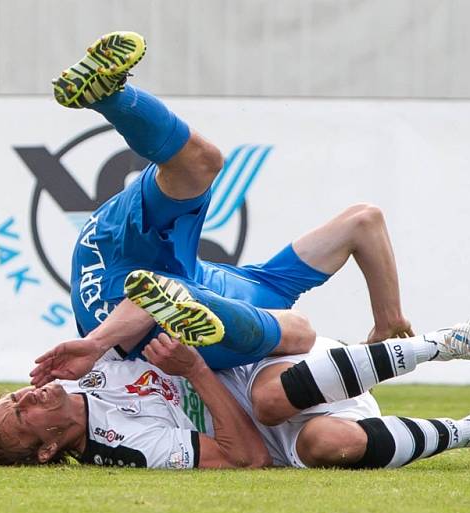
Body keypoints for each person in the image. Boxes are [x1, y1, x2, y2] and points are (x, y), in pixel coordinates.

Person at [40, 31, 414, 375]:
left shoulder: (268, 296)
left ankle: (110, 98)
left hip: (121, 308)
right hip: (127, 284)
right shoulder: (274, 289)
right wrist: (388, 320)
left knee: (293, 332)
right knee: (296, 330)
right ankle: (107, 94)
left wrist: (387, 320)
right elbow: (364, 220)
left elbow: (363, 224)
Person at [0, 319, 470, 470]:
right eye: (18, 416)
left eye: (11, 398)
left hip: (269, 371)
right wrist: (195, 372)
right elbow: (245, 456)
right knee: (328, 442)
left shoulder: (80, 370)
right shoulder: (122, 447)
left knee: (275, 398)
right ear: (44, 449)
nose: (23, 399)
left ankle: (441, 343)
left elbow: (144, 295)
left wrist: (95, 341)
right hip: (273, 432)